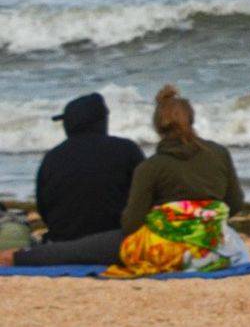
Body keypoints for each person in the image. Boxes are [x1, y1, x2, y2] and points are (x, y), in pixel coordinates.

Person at [104, 84, 248, 277]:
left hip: (170, 254)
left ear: (157, 127)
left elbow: (131, 224)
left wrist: (167, 221)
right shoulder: (220, 154)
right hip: (216, 249)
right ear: (191, 119)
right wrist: (201, 222)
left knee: (103, 247)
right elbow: (235, 203)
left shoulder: (150, 168)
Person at [0, 92, 143, 267]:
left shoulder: (52, 157)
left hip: (61, 244)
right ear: (102, 121)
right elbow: (142, 201)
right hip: (117, 242)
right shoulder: (127, 150)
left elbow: (44, 207)